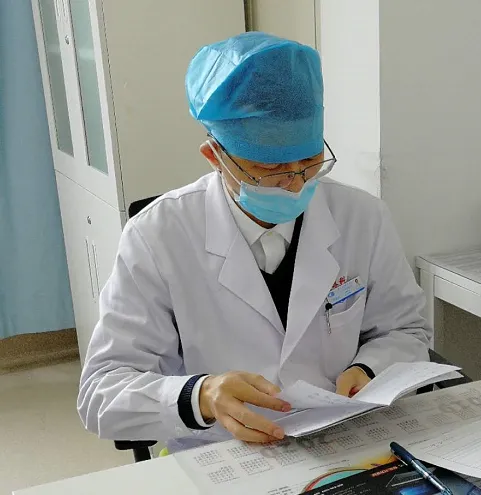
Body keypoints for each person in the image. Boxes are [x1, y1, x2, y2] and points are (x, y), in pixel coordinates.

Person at [77, 32, 432, 452]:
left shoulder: (363, 217)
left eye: (309, 160)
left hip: (344, 439)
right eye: (270, 168)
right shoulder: (157, 235)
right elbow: (101, 392)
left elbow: (406, 330)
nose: (295, 183)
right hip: (221, 449)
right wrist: (201, 397)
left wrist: (370, 368)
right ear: (214, 156)